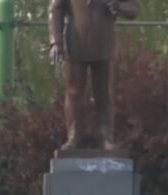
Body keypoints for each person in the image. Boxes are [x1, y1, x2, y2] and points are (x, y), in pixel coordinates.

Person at [48, 0, 140, 152]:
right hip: (75, 41)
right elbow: (55, 10)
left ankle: (106, 136)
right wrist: (56, 42)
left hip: (104, 42)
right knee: (74, 93)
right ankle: (73, 135)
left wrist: (118, 6)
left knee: (104, 93)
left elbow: (134, 8)